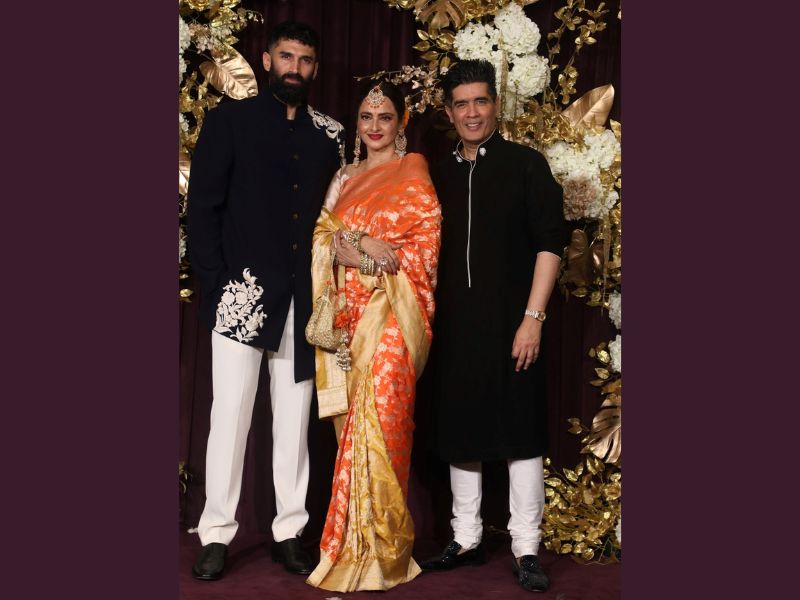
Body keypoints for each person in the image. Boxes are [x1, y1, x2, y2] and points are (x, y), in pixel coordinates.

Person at [186, 21, 345, 581]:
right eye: (286, 56)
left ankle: (289, 531)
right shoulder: (229, 121)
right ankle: (216, 533)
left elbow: (334, 217)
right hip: (242, 294)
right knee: (229, 415)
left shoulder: (329, 135)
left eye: (305, 59)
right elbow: (202, 208)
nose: (294, 68)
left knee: (294, 419)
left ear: (315, 68)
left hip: (303, 297)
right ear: (267, 59)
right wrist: (216, 285)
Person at [418, 59, 565, 593]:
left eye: (481, 101)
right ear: (448, 111)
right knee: (462, 431)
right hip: (455, 329)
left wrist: (533, 319)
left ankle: (526, 547)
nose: (472, 112)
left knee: (521, 434)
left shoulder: (527, 165)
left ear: (497, 105)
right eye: (461, 104)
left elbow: (550, 244)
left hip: (515, 325)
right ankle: (466, 537)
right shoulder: (436, 175)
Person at [304, 81, 442, 592]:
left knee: (384, 419)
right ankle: (348, 547)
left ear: (401, 121)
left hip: (393, 315)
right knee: (352, 427)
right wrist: (361, 241)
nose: (375, 126)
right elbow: (322, 236)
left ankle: (386, 550)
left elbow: (425, 248)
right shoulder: (344, 177)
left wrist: (362, 255)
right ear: (357, 123)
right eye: (366, 117)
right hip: (347, 318)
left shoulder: (413, 169)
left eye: (385, 117)